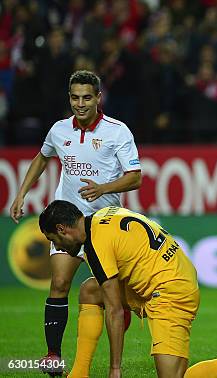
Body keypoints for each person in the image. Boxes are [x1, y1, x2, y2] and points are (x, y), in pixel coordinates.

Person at [38, 200, 217, 378]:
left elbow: (113, 311)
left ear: (62, 229)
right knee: (90, 290)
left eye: (54, 239)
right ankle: (79, 374)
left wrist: (115, 369)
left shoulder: (96, 245)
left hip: (171, 290)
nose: (56, 246)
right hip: (162, 276)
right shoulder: (104, 214)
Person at [9, 70, 142, 375]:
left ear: (98, 97)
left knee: (112, 299)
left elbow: (135, 177)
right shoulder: (59, 130)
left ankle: (115, 365)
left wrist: (103, 189)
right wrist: (21, 194)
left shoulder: (118, 131)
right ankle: (53, 356)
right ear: (69, 97)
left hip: (103, 227)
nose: (80, 104)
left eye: (86, 97)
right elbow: (42, 158)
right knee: (58, 283)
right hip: (67, 225)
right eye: (74, 97)